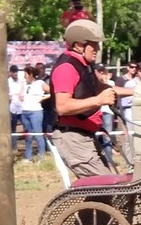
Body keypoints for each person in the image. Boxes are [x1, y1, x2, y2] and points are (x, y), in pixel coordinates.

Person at [50, 20, 129, 178]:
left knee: (108, 188)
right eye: (94, 45)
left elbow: (105, 88)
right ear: (79, 46)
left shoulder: (84, 66)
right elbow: (63, 106)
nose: (98, 49)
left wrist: (138, 92)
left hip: (85, 137)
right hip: (73, 140)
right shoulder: (67, 67)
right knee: (107, 189)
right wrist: (98, 101)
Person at [20, 65, 50, 163]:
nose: (24, 77)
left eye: (26, 74)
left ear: (31, 74)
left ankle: (41, 156)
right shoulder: (25, 84)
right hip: (25, 111)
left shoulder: (40, 83)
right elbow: (21, 97)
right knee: (28, 135)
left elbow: (52, 92)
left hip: (35, 112)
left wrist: (42, 98)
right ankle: (28, 156)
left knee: (38, 134)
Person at [94, 63, 116, 169]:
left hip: (107, 113)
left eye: (103, 71)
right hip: (96, 112)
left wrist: (104, 81)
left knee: (107, 138)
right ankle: (98, 160)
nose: (101, 73)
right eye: (99, 71)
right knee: (96, 137)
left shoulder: (110, 82)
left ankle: (109, 160)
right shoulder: (92, 84)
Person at [7, 64, 24, 153]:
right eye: (13, 72)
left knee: (26, 126)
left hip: (21, 107)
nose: (15, 73)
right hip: (12, 108)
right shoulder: (7, 82)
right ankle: (14, 147)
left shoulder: (21, 81)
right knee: (12, 129)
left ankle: (28, 146)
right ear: (10, 73)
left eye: (16, 71)